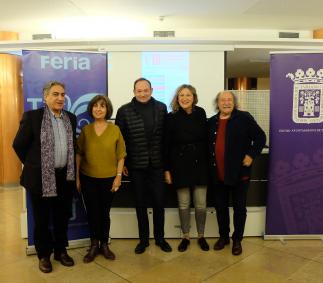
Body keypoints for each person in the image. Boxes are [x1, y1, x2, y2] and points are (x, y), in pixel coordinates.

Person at [13, 81, 77, 273]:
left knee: (61, 217)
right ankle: (44, 255)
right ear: (45, 97)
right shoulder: (33, 117)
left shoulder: (70, 118)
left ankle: (60, 251)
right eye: (55, 94)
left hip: (65, 177)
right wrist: (35, 164)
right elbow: (19, 145)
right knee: (41, 219)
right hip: (40, 178)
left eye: (62, 94)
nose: (60, 98)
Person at [115, 78, 172, 254]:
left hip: (157, 164)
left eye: (145, 90)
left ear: (151, 90)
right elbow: (120, 140)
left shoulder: (162, 108)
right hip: (135, 165)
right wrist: (122, 163)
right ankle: (143, 240)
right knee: (140, 204)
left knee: (159, 203)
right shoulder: (124, 111)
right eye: (139, 90)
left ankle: (160, 238)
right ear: (134, 92)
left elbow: (166, 139)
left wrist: (167, 166)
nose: (142, 93)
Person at [208, 90, 266, 256]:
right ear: (217, 103)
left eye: (229, 100)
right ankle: (224, 237)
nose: (226, 102)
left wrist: (251, 155)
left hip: (240, 174)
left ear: (234, 103)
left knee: (240, 208)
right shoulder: (211, 122)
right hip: (218, 174)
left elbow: (261, 137)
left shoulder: (244, 117)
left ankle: (237, 240)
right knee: (221, 208)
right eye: (222, 100)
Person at [76, 95, 126, 263]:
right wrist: (76, 178)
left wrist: (118, 177)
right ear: (91, 109)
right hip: (88, 179)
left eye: (102, 106)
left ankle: (104, 244)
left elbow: (121, 156)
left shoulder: (115, 130)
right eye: (95, 106)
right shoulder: (86, 130)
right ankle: (93, 245)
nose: (98, 109)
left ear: (107, 109)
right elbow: (78, 155)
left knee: (104, 213)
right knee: (92, 213)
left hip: (109, 179)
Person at [164, 84, 209, 252]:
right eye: (181, 95)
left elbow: (205, 140)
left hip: (200, 165)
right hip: (179, 165)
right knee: (183, 204)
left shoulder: (201, 113)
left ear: (194, 97)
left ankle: (201, 236)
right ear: (177, 98)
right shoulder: (171, 117)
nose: (184, 98)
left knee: (201, 204)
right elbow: (166, 145)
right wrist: (167, 169)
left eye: (188, 95)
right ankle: (185, 236)